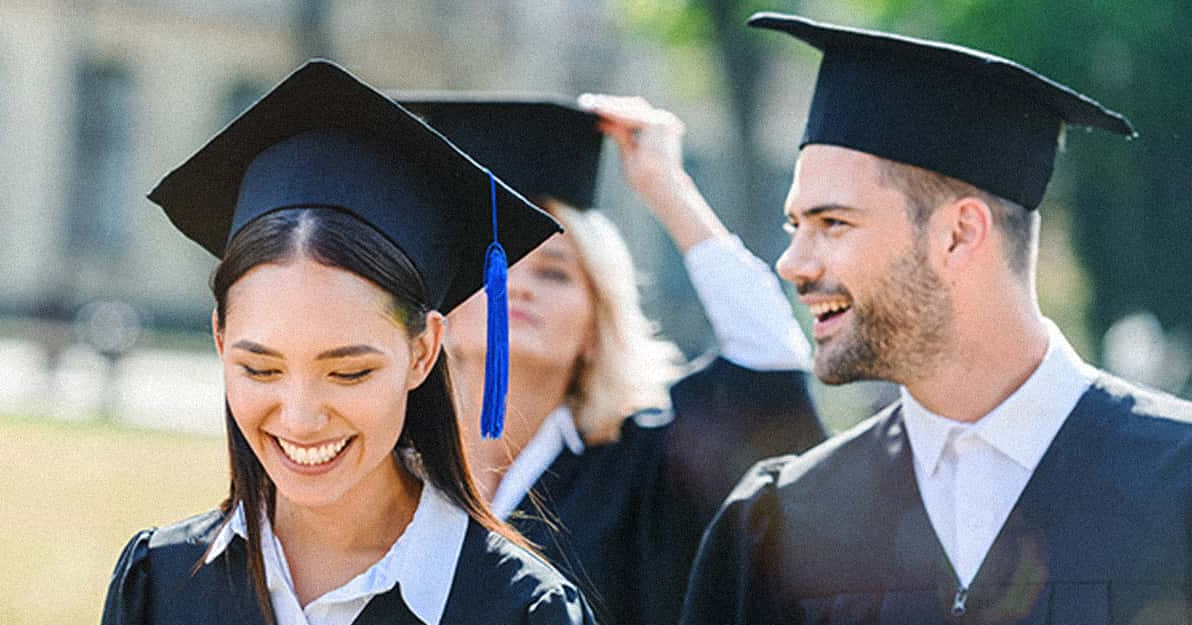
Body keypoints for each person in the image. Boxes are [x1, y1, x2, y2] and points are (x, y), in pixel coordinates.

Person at [682, 13, 1192, 625]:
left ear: (959, 234)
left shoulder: (1178, 484)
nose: (791, 264)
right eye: (796, 225)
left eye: (832, 223)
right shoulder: (785, 523)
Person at [100, 60, 595, 625]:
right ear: (220, 339)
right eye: (260, 370)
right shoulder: (161, 585)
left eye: (348, 372)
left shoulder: (517, 610)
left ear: (423, 351)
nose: (302, 418)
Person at [402, 95, 826, 625]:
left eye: (554, 272)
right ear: (436, 311)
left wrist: (667, 187)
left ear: (594, 326)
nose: (518, 288)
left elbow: (770, 360)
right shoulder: (387, 461)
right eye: (495, 265)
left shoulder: (644, 472)